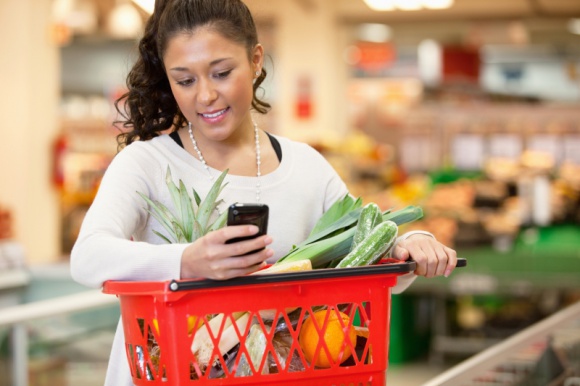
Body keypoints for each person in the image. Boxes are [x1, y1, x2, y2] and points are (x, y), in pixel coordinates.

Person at [70, 0, 458, 384]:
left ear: (256, 60)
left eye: (221, 73)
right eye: (185, 80)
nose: (204, 96)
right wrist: (187, 261)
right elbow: (87, 256)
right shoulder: (146, 163)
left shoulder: (306, 167)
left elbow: (361, 257)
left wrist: (410, 244)